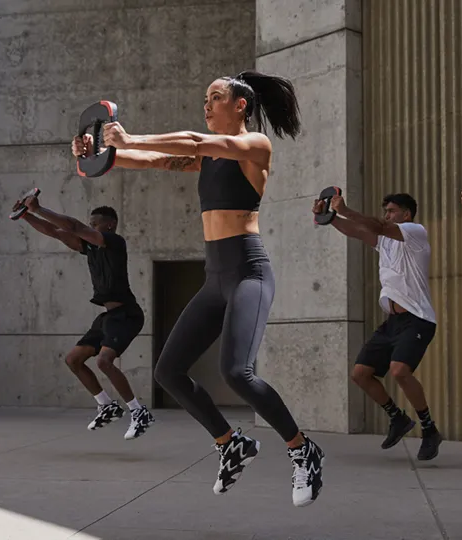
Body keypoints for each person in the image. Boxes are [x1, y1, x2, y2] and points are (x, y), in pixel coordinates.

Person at [71, 70, 325, 507]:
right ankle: (231, 443)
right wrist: (100, 153)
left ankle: (303, 450)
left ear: (240, 105)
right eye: (204, 98)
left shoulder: (255, 145)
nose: (206, 105)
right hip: (215, 278)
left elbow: (192, 140)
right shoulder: (206, 158)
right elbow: (151, 161)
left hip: (248, 271)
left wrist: (129, 137)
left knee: (236, 372)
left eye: (215, 97)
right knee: (168, 371)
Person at [312, 192, 443, 460]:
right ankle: (398, 418)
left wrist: (345, 208)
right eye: (386, 210)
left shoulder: (415, 233)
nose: (387, 215)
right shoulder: (384, 242)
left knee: (398, 371)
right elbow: (359, 232)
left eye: (392, 211)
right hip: (393, 321)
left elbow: (377, 226)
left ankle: (429, 429)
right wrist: (329, 217)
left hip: (418, 318)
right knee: (360, 374)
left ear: (406, 214)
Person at [13, 197, 154, 440]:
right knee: (73, 360)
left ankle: (138, 412)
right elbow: (54, 231)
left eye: (95, 224)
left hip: (127, 314)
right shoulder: (88, 248)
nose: (91, 227)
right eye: (90, 223)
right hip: (108, 316)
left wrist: (38, 208)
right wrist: (26, 216)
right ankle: (106, 405)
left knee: (103, 362)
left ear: (109, 225)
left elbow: (74, 226)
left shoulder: (114, 242)